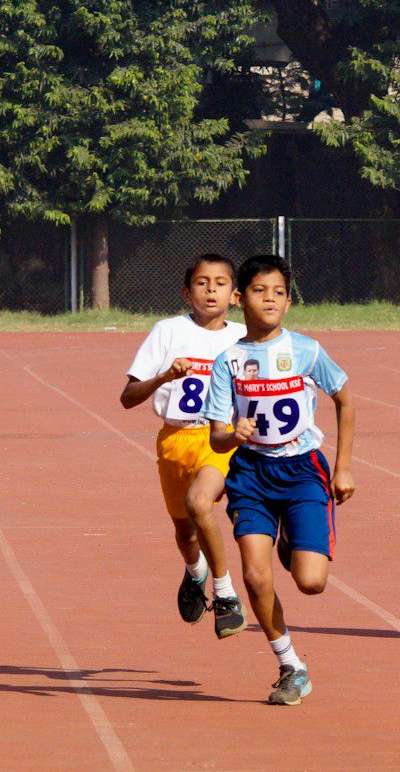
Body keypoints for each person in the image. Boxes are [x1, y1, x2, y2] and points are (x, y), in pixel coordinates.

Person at [206, 255, 355, 706]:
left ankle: (293, 537)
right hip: (251, 474)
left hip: (302, 471)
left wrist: (344, 467)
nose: (269, 299)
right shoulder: (228, 361)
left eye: (278, 292)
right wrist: (235, 433)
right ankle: (291, 665)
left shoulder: (307, 350)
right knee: (254, 575)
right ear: (238, 299)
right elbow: (216, 438)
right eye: (258, 291)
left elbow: (346, 401)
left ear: (289, 301)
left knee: (311, 582)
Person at [120, 254, 247, 638]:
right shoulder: (167, 331)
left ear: (236, 295)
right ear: (185, 291)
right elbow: (127, 397)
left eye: (220, 283)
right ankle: (196, 573)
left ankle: (225, 594)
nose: (211, 290)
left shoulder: (242, 337)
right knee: (185, 531)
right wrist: (164, 376)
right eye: (202, 282)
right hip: (175, 440)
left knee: (200, 503)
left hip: (220, 439)